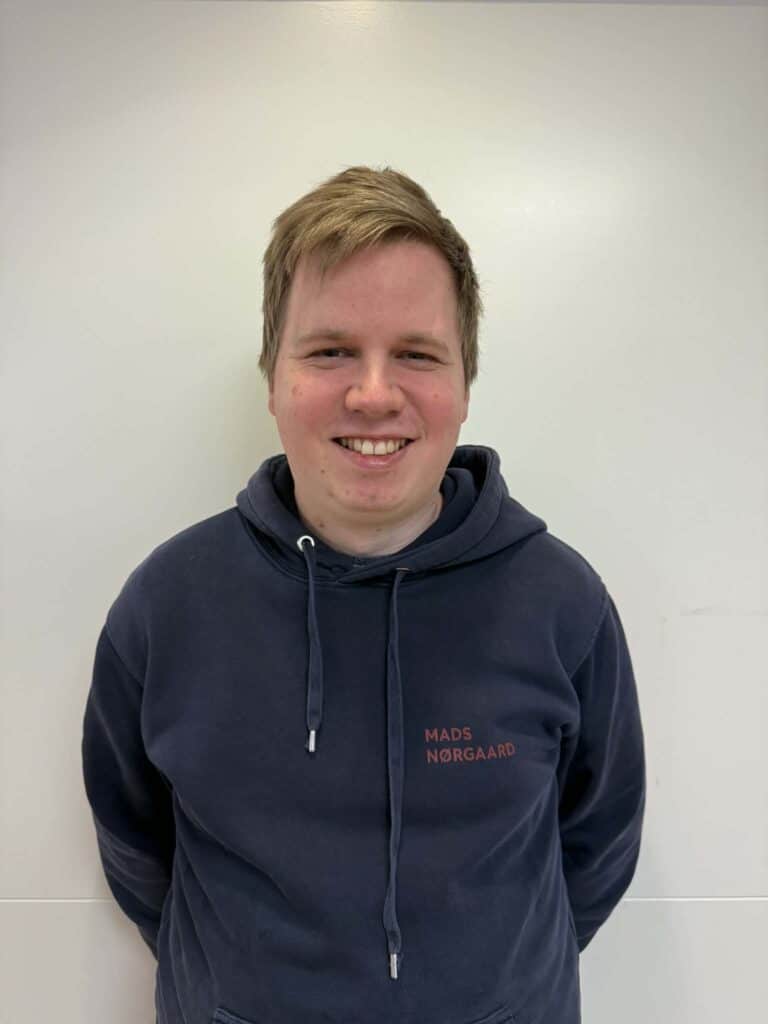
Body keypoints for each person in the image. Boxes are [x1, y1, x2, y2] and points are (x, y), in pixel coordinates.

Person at [81, 165, 646, 1024]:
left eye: (417, 354)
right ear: (274, 378)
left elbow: (598, 845)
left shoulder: (561, 602)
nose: (374, 394)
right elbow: (135, 843)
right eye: (330, 351)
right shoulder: (167, 607)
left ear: (464, 385)